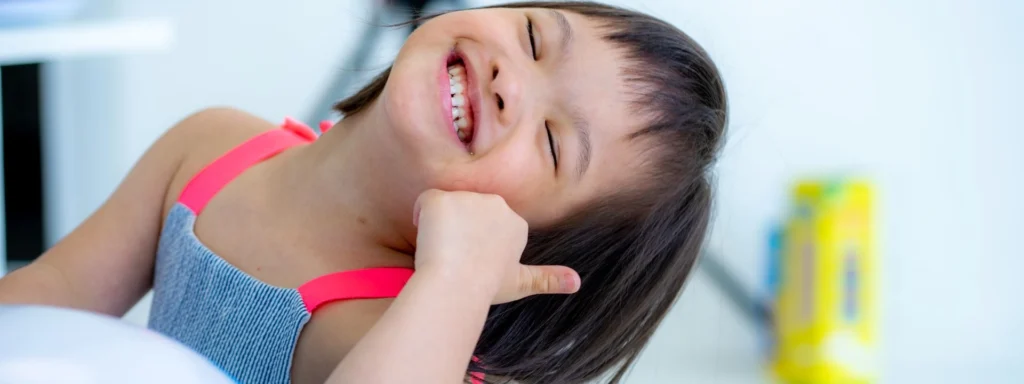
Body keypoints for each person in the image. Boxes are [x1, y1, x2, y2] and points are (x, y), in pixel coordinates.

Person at [0, 1, 726, 383]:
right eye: (535, 38)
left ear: (526, 243)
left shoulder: (399, 329)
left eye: (551, 142)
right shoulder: (211, 144)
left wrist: (455, 283)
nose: (513, 84)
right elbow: (52, 295)